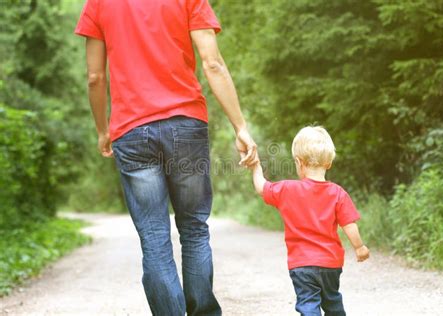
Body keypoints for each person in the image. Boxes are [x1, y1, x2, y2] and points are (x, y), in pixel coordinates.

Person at [74, 0, 258, 315]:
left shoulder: (99, 3)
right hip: (186, 123)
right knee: (194, 227)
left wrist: (103, 129)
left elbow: (94, 77)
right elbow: (212, 62)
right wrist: (240, 126)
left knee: (154, 238)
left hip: (131, 130)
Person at [251, 126, 370, 316]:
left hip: (302, 265)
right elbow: (349, 224)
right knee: (332, 301)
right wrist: (359, 247)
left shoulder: (287, 189)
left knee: (308, 305)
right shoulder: (337, 193)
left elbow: (261, 187)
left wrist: (255, 166)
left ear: (299, 162)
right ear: (329, 163)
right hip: (331, 263)